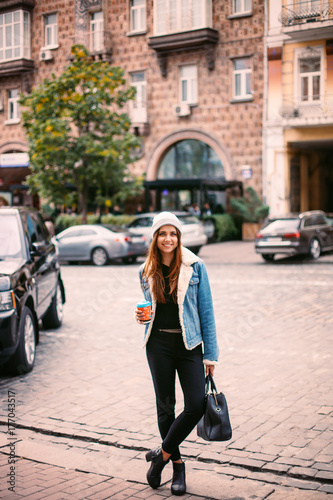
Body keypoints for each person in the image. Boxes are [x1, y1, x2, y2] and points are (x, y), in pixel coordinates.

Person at [135, 211, 219, 496]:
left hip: (189, 345)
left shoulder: (195, 266)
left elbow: (206, 312)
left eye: (173, 234)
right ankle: (178, 466)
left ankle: (161, 454)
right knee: (165, 407)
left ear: (179, 237)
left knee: (196, 403)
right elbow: (150, 310)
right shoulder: (146, 270)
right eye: (162, 233)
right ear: (155, 238)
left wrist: (210, 356)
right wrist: (141, 318)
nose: (168, 239)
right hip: (157, 345)